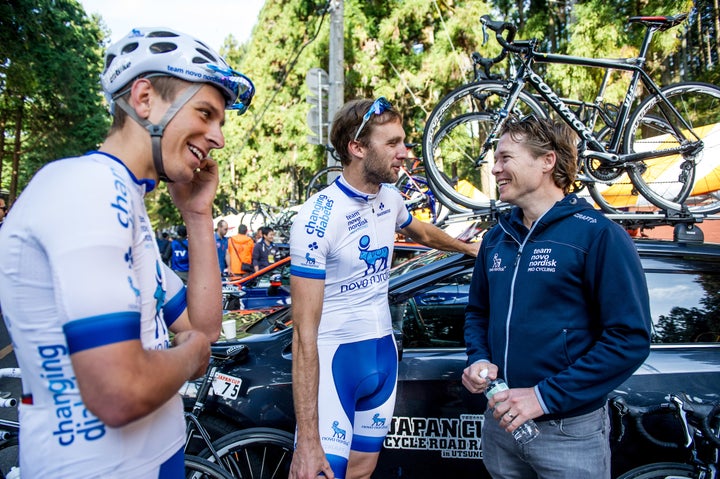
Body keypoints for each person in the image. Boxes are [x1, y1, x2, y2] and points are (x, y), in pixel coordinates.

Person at [0, 26, 254, 477]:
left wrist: (198, 217)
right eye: (205, 112)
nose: (216, 137)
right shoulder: (86, 187)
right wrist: (189, 358)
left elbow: (204, 327)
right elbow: (120, 391)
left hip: (156, 459)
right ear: (143, 99)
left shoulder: (123, 201)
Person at [288, 97, 479, 479]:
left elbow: (419, 229)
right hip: (335, 362)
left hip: (382, 355)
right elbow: (302, 335)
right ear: (357, 148)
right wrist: (307, 438)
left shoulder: (390, 197)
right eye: (392, 144)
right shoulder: (316, 218)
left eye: (403, 142)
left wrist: (465, 247)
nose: (405, 153)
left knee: (363, 471)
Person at [461, 117, 651, 479]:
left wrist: (543, 397)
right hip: (501, 425)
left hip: (569, 434)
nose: (495, 168)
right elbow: (477, 314)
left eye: (505, 157)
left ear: (547, 161)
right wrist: (479, 357)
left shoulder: (599, 236)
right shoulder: (495, 238)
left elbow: (630, 339)